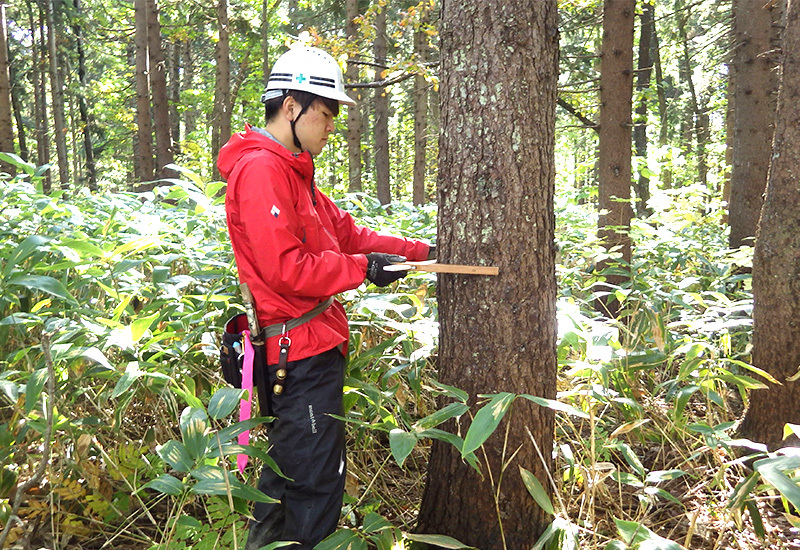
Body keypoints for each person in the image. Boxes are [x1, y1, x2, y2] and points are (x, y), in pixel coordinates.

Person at [217, 45, 433, 550]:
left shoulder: (294, 170)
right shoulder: (262, 171)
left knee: (290, 474)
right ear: (291, 106)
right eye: (326, 112)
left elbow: (348, 234)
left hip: (313, 347)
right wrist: (362, 271)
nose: (332, 125)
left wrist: (421, 252)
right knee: (312, 483)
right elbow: (285, 269)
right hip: (298, 354)